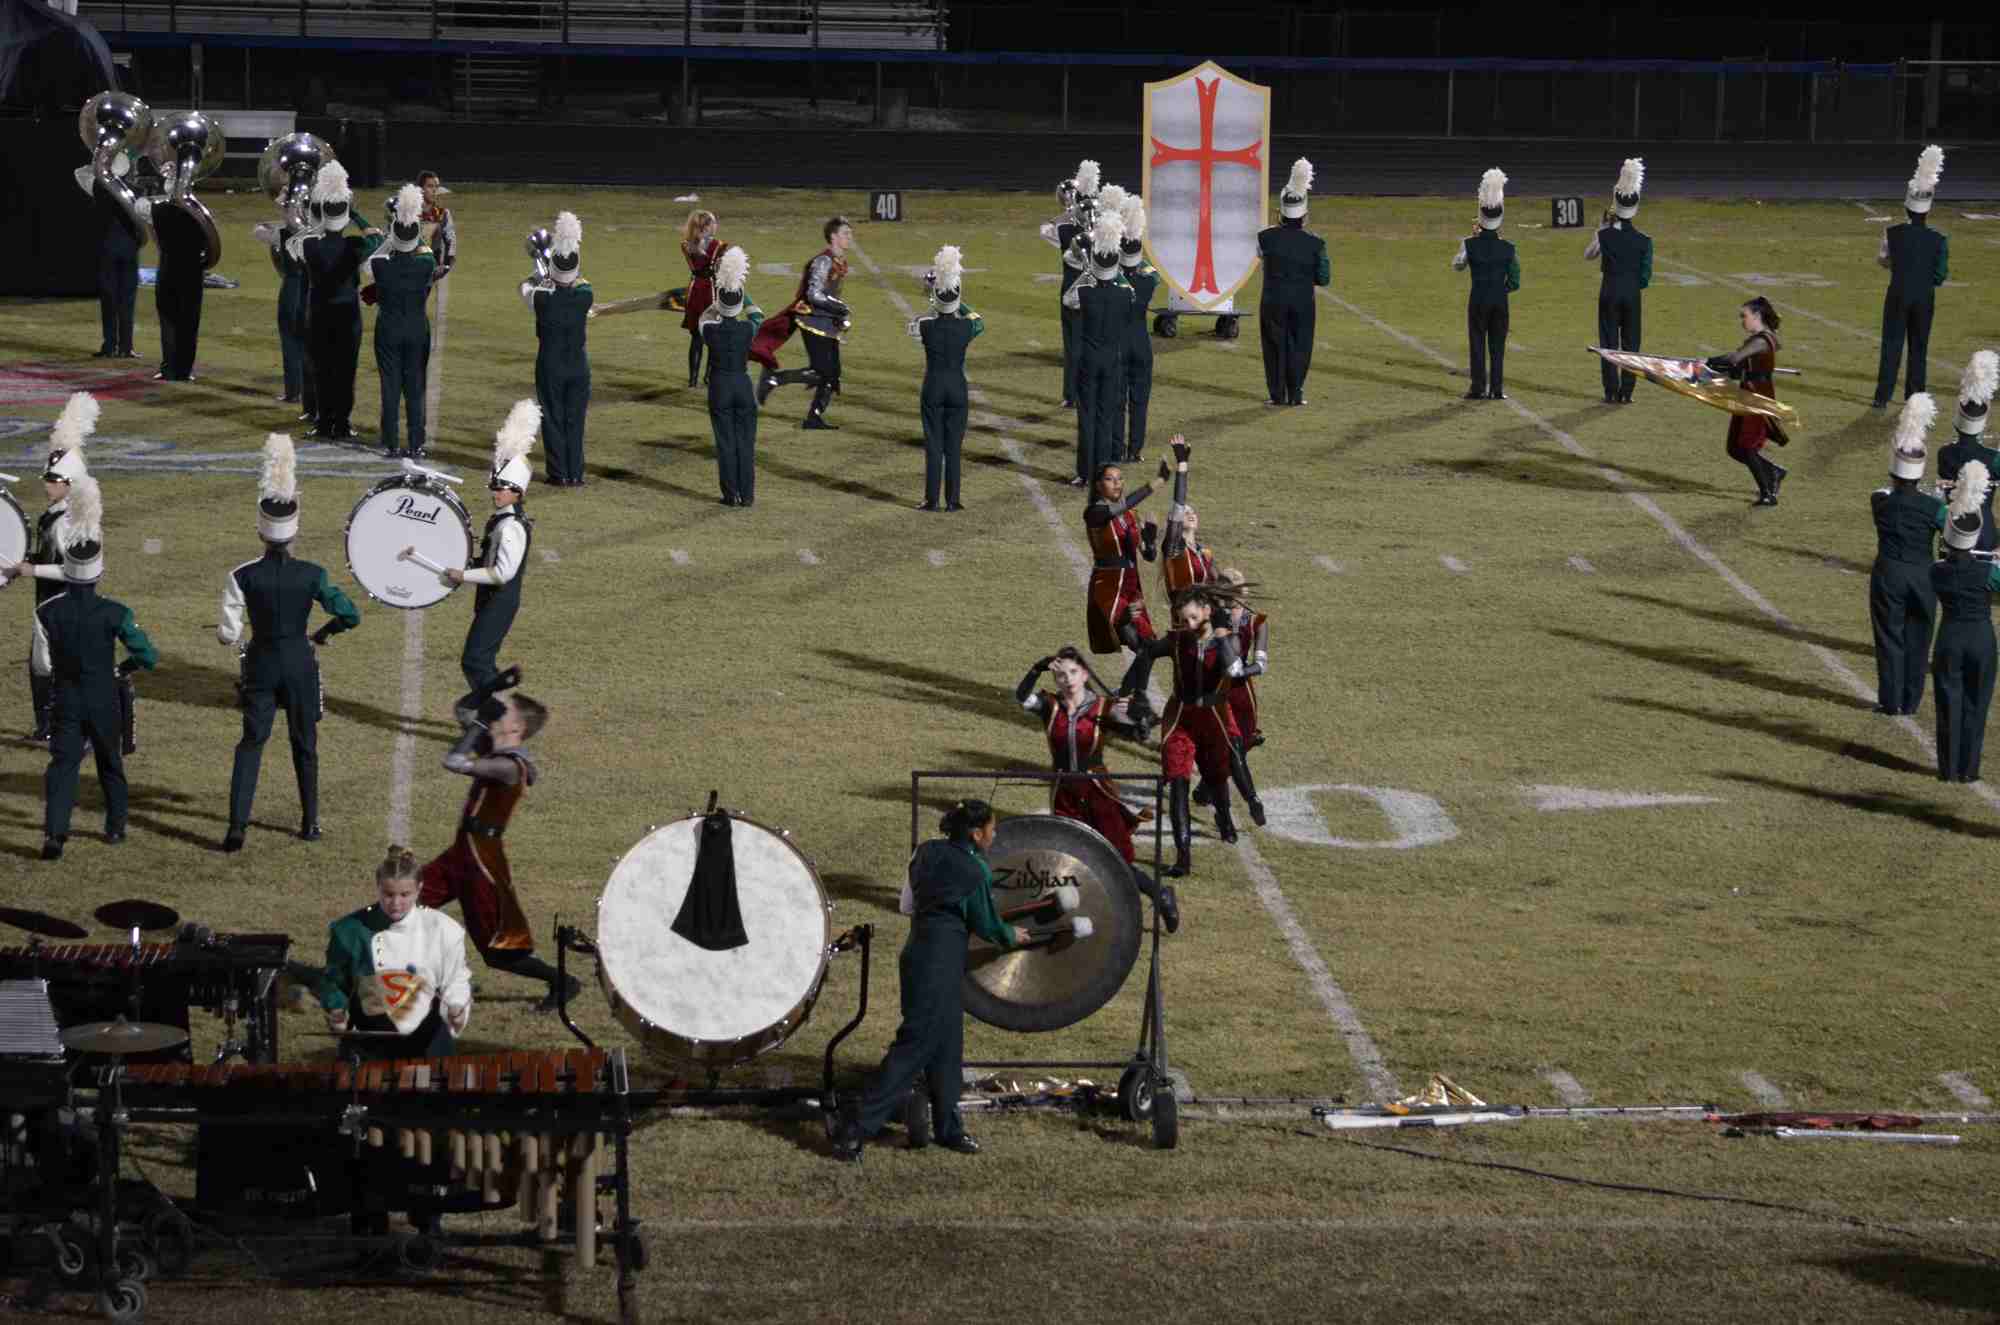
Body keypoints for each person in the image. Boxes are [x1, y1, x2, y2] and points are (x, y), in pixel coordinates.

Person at [832, 800, 1028, 1161]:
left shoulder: (925, 852)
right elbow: (987, 925)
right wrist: (1010, 935)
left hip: (918, 955)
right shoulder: (975, 870)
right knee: (914, 1047)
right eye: (992, 828)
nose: (995, 834)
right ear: (976, 833)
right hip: (939, 963)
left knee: (948, 1046)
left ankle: (949, 1128)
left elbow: (906, 906)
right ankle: (855, 1127)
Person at [218, 435, 362, 852]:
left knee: (251, 743)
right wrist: (324, 633)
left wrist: (234, 634)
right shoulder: (312, 574)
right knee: (305, 745)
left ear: (261, 531)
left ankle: (236, 828)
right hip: (300, 662)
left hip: (261, 662)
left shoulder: (242, 575)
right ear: (294, 530)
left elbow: (228, 633)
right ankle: (310, 822)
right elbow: (350, 614)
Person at [23, 477, 157, 861]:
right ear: (98, 571)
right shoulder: (115, 612)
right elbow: (147, 656)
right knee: (109, 763)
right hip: (103, 698)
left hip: (65, 698)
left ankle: (54, 834)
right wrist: (122, 668)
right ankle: (115, 827)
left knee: (62, 766)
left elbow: (41, 665)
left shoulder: (46, 612)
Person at [418, 689, 577, 1009]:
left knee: (497, 952)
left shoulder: (509, 766)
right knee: (406, 906)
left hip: (480, 860)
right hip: (461, 852)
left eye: (502, 712)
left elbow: (453, 761)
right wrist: (492, 687)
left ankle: (562, 981)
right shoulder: (496, 750)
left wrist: (480, 721)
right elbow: (463, 711)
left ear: (516, 727)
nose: (494, 713)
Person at [1015, 648, 1180, 933]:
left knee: (1113, 856)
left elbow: (1137, 732)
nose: (1067, 679)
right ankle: (1065, 909)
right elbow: (1021, 697)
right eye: (1061, 675)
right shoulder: (1049, 705)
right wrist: (1036, 668)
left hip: (1097, 789)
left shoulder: (1103, 707)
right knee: (1069, 852)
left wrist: (1140, 720)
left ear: (1084, 674)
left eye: (1073, 673)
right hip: (1064, 790)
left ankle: (1159, 893)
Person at [1136, 580, 1265, 878]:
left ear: (1208, 611)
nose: (1188, 625)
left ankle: (1225, 817)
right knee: (1177, 784)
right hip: (1180, 716)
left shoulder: (1229, 640)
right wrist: (1139, 693)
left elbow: (1233, 670)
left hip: (1214, 715)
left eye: (1193, 618)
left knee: (1216, 776)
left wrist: (1220, 634)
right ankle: (1183, 857)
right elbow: (1148, 653)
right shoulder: (1177, 639)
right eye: (1183, 620)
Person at [320, 845, 473, 1063]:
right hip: (369, 1042)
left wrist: (456, 1005)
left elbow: (456, 978)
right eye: (388, 894)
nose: (396, 903)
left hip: (429, 1042)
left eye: (405, 894)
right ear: (378, 887)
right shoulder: (350, 930)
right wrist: (336, 1009)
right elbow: (333, 981)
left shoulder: (443, 928)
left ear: (419, 889)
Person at [3, 392, 93, 742]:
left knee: (55, 669)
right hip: (49, 603)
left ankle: (62, 729)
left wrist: (33, 570)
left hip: (65, 604)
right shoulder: (55, 514)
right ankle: (48, 727)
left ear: (69, 483)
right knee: (41, 666)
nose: (46, 484)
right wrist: (23, 564)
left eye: (53, 480)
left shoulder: (67, 523)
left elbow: (74, 571)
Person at [435, 400, 537, 692]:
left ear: (517, 492)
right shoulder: (501, 519)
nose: (496, 493)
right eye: (495, 487)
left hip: (500, 601)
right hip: (492, 599)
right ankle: (501, 707)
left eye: (502, 488)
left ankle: (495, 712)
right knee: (483, 662)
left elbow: (502, 573)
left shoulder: (511, 527)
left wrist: (463, 575)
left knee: (475, 661)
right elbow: (489, 560)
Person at [1870, 396, 1947, 718]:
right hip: (1923, 575)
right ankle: (1911, 701)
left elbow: (1886, 490)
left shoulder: (1879, 501)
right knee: (1919, 638)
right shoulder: (1934, 506)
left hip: (1888, 573)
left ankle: (1890, 700)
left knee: (1889, 636)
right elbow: (1949, 529)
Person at [300, 162, 384, 441]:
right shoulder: (355, 245)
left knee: (321, 370)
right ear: (345, 217)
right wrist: (354, 214)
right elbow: (377, 239)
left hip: (318, 313)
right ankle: (343, 424)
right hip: (347, 315)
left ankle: (323, 423)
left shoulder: (310, 244)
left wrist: (322, 208)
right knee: (346, 371)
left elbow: (310, 226)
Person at [753, 216, 853, 431]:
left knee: (833, 374)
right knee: (821, 372)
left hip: (827, 322)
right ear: (833, 236)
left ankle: (814, 418)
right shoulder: (823, 261)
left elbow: (829, 294)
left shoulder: (839, 260)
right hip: (812, 320)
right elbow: (814, 294)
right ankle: (774, 379)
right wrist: (839, 308)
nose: (849, 237)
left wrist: (838, 313)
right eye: (845, 233)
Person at [1082, 459, 1160, 736]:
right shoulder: (1094, 512)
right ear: (1098, 485)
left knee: (1150, 647)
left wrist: (1150, 537)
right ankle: (1130, 703)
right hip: (1109, 589)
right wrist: (1155, 483)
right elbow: (1121, 506)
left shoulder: (1130, 515)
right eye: (1110, 479)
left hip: (1131, 586)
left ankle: (1128, 701)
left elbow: (1148, 555)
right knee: (1141, 645)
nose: (1117, 483)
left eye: (1120, 479)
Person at [1931, 460, 1997, 782]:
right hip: (1982, 640)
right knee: (1977, 704)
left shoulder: (1936, 571)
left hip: (1950, 638)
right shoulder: (1988, 572)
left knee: (1948, 703)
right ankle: (1969, 770)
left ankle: (1948, 769)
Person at [365, 184, 437, 460]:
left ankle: (391, 442)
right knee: (415, 387)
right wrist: (412, 228)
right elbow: (425, 248)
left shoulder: (381, 264)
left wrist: (392, 235)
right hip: (417, 328)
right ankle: (416, 442)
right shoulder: (426, 263)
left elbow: (371, 261)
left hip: (388, 329)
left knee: (390, 386)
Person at [1874, 145, 1949, 410]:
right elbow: (1940, 275)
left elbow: (1883, 260)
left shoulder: (1891, 232)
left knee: (1891, 345)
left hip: (1897, 293)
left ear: (1907, 208)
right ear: (1927, 211)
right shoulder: (1939, 239)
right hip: (1924, 297)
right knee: (1919, 347)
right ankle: (1915, 396)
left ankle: (1882, 397)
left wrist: (1901, 268)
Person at [521, 211, 591, 487]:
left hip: (550, 363)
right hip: (578, 364)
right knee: (575, 419)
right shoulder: (586, 294)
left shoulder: (540, 296)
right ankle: (576, 473)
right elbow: (576, 278)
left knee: (552, 418)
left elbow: (526, 286)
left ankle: (559, 473)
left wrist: (543, 269)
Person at [1063, 207, 1131, 486]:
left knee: (1087, 418)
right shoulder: (1124, 294)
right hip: (1112, 361)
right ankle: (1103, 473)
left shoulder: (1085, 292)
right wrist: (1111, 274)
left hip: (1089, 361)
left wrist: (1089, 271)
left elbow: (1068, 300)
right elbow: (1128, 290)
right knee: (1106, 418)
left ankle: (1084, 473)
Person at [914, 244, 983, 512]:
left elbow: (919, 321)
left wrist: (934, 291)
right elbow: (978, 321)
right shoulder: (966, 326)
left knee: (934, 446)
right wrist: (954, 295)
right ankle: (953, 501)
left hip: (933, 387)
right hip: (957, 388)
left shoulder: (926, 326)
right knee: (954, 447)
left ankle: (931, 500)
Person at [1257, 158, 1329, 408]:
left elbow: (1261, 256)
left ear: (1281, 214)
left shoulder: (1264, 237)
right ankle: (1296, 393)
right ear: (1304, 216)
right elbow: (1324, 278)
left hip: (1272, 300)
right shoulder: (1316, 243)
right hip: (1303, 302)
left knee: (1274, 346)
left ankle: (1277, 395)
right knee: (1300, 345)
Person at [1705, 298, 1789, 507]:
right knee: (1735, 447)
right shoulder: (1757, 340)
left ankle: (1768, 493)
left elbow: (1735, 359)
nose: (1742, 321)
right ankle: (1774, 471)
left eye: (1745, 316)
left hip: (1757, 396)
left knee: (1747, 445)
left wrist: (1711, 361)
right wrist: (1720, 368)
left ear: (1757, 316)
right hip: (1747, 393)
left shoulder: (1762, 340)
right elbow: (1739, 367)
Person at [699, 245, 763, 507]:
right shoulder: (748, 328)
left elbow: (706, 314)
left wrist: (721, 297)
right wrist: (741, 293)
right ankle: (747, 495)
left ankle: (731, 495)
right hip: (743, 386)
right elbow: (757, 314)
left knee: (725, 442)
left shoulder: (709, 329)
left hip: (719, 387)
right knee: (746, 442)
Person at [1586, 157, 1652, 405]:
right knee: (1631, 344)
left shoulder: (1605, 235)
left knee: (1608, 343)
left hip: (1609, 291)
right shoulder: (1645, 240)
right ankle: (1627, 393)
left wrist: (1600, 229)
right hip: (1632, 294)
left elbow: (1589, 255)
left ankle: (1610, 392)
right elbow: (1645, 276)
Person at [1451, 168, 1519, 402]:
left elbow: (1457, 265)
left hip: (1478, 298)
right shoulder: (1509, 248)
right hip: (1500, 300)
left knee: (1477, 343)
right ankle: (1497, 390)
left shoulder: (1469, 243)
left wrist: (1472, 240)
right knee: (1498, 346)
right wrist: (1501, 290)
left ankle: (1478, 388)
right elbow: (1515, 281)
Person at [71, 150, 143, 361]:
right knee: (127, 299)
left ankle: (110, 346)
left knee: (109, 299)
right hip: (129, 249)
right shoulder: (137, 191)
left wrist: (98, 164)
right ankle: (126, 347)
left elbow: (79, 172)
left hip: (107, 249)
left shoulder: (98, 187)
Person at [1039, 160, 1098, 408]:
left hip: (1072, 288)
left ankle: (1071, 395)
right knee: (1099, 342)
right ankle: (1097, 391)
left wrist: (1069, 211)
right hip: (1100, 289)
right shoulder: (1106, 228)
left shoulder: (1061, 226)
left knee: (1073, 344)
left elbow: (1046, 228)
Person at [150, 159, 211, 383]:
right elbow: (208, 242)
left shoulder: (157, 210)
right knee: (189, 321)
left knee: (168, 320)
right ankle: (184, 370)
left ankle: (168, 368)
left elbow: (155, 237)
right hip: (192, 270)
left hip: (168, 268)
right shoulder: (198, 212)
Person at [252, 198, 314, 415]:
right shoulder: (318, 233)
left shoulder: (283, 233)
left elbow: (259, 232)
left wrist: (286, 209)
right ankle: (310, 393)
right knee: (309, 341)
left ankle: (293, 391)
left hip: (292, 287)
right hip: (312, 288)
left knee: (290, 339)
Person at [1112, 193, 1160, 462]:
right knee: (1140, 401)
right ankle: (1136, 450)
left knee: (1118, 401)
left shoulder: (1112, 280)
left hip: (1118, 344)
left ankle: (1117, 448)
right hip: (1142, 343)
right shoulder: (1149, 278)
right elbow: (1150, 271)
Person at [1936, 350, 1998, 552]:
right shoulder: (1993, 459)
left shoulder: (1944, 454)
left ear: (1957, 423)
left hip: (1953, 528)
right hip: (1985, 531)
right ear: (1981, 425)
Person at [679, 209, 722, 387]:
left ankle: (693, 380)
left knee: (696, 338)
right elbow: (717, 271)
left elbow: (695, 269)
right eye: (713, 222)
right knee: (713, 338)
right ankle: (709, 377)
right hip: (711, 292)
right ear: (706, 226)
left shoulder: (686, 245)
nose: (716, 225)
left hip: (695, 291)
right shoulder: (719, 245)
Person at [416, 171, 456, 287]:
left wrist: (446, 264)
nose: (434, 190)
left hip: (430, 268)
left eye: (436, 187)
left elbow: (451, 240)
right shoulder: (409, 212)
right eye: (430, 186)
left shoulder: (443, 214)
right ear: (420, 189)